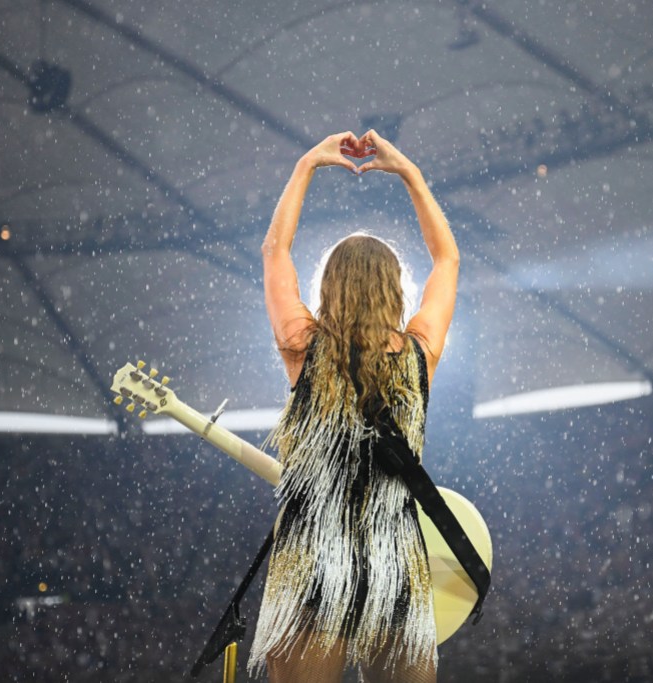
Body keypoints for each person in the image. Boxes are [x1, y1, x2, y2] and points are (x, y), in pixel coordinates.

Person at [248, 130, 459, 683]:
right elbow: (447, 260)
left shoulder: (304, 347)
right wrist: (409, 173)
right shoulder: (419, 354)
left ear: (328, 286)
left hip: (313, 558)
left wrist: (307, 164)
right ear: (395, 288)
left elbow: (274, 253)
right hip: (395, 561)